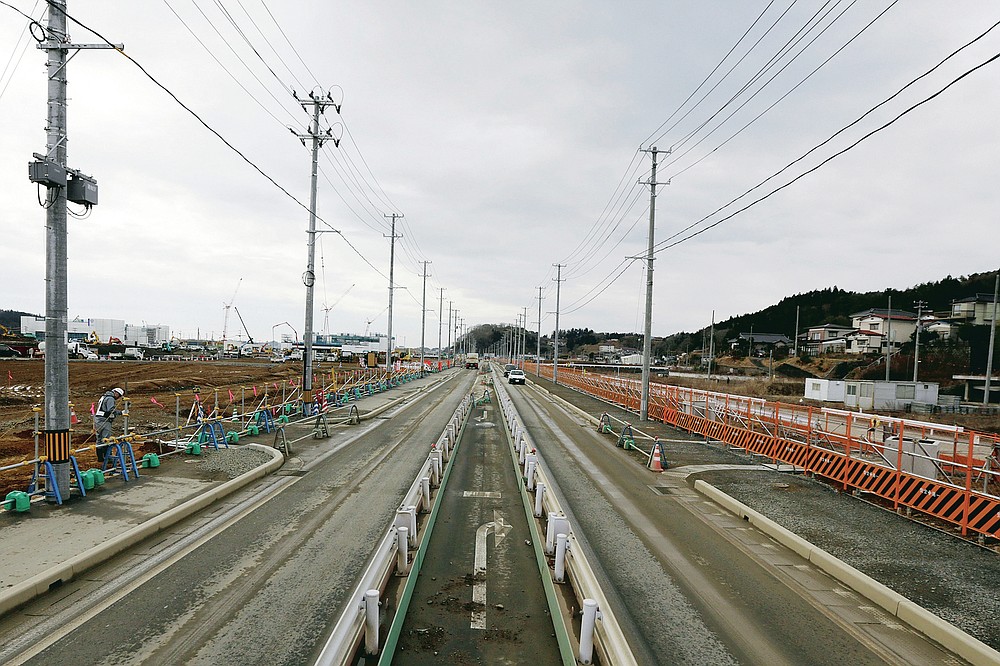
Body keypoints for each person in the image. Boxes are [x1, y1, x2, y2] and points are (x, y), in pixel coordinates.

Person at [94, 387, 124, 463]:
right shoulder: (110, 398)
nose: (118, 398)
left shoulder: (104, 397)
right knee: (106, 439)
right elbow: (111, 410)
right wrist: (121, 412)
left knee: (99, 439)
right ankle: (108, 457)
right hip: (104, 421)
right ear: (116, 393)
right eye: (119, 396)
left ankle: (100, 458)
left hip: (98, 420)